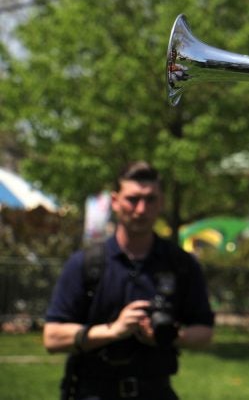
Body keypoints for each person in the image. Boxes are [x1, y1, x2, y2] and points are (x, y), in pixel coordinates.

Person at [44, 161, 215, 400]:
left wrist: (170, 337)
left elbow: (205, 331)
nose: (141, 209)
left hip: (156, 392)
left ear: (161, 203)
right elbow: (52, 336)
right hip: (92, 392)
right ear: (115, 201)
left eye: (150, 199)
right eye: (132, 199)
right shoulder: (85, 264)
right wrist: (114, 330)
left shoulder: (180, 264)